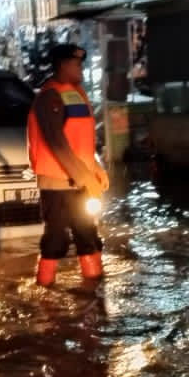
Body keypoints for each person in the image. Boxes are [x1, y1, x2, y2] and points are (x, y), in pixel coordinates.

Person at [27, 42, 111, 288]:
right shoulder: (49, 96)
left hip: (79, 181)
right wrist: (86, 178)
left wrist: (96, 169)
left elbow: (82, 142)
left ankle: (94, 289)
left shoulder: (75, 93)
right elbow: (57, 143)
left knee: (87, 234)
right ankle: (45, 291)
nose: (80, 70)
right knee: (55, 239)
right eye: (75, 65)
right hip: (57, 184)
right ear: (62, 66)